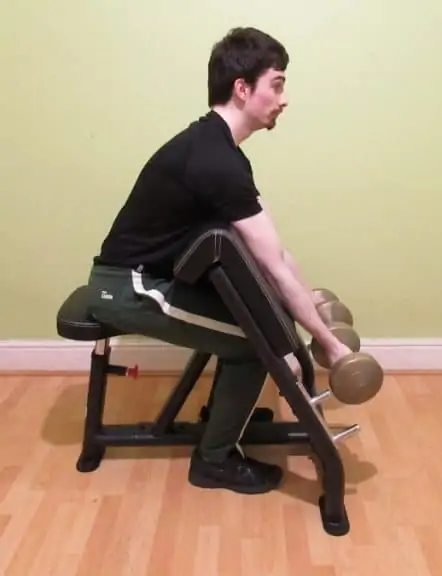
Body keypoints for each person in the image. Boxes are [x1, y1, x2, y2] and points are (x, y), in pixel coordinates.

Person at [86, 27, 353, 495]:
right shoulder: (215, 160)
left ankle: (226, 415)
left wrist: (311, 310)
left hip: (148, 279)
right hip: (127, 288)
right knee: (256, 346)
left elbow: (277, 253)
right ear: (242, 88)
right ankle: (214, 460)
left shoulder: (220, 150)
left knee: (259, 330)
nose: (283, 98)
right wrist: (330, 345)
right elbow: (272, 265)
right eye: (277, 83)